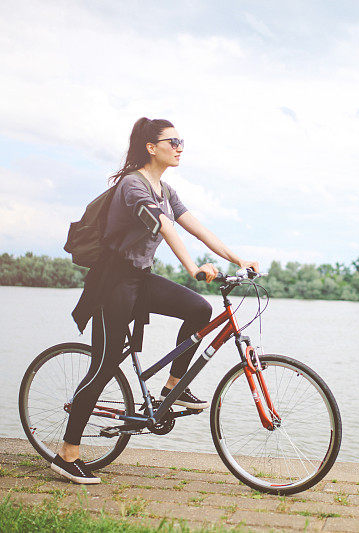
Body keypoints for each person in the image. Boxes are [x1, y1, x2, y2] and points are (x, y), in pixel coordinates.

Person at [52, 117, 259, 484]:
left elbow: (193, 225)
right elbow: (164, 225)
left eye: (182, 142)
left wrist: (236, 258)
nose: (180, 147)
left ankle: (172, 388)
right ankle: (67, 454)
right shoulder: (133, 186)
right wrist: (194, 268)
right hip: (112, 283)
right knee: (103, 365)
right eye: (173, 141)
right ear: (152, 147)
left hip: (140, 280)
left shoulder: (165, 189)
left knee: (199, 308)